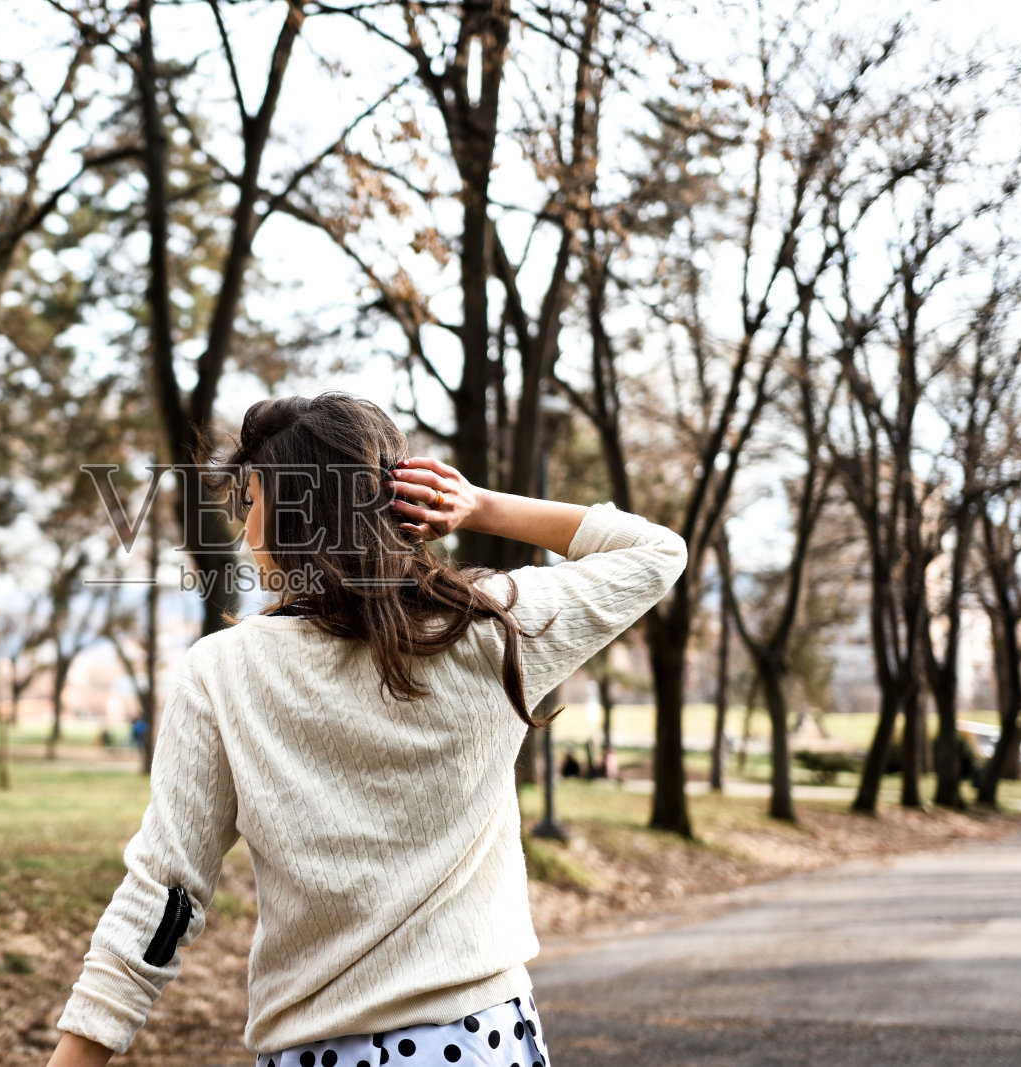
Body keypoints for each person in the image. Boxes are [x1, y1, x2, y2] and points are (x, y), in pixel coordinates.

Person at [46, 392, 687, 1067]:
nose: (243, 526)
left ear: (286, 511)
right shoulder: (485, 625)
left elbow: (165, 894)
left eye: (250, 500)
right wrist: (480, 505)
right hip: (481, 1044)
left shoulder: (224, 671)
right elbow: (656, 552)